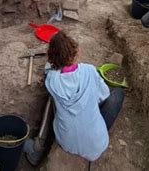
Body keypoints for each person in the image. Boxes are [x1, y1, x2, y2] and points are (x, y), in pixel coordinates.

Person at [40, 31, 124, 162]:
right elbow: (104, 94)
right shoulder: (89, 71)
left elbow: (49, 68)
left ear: (52, 59)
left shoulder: (51, 80)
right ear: (76, 53)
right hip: (96, 144)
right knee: (117, 93)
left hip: (67, 142)